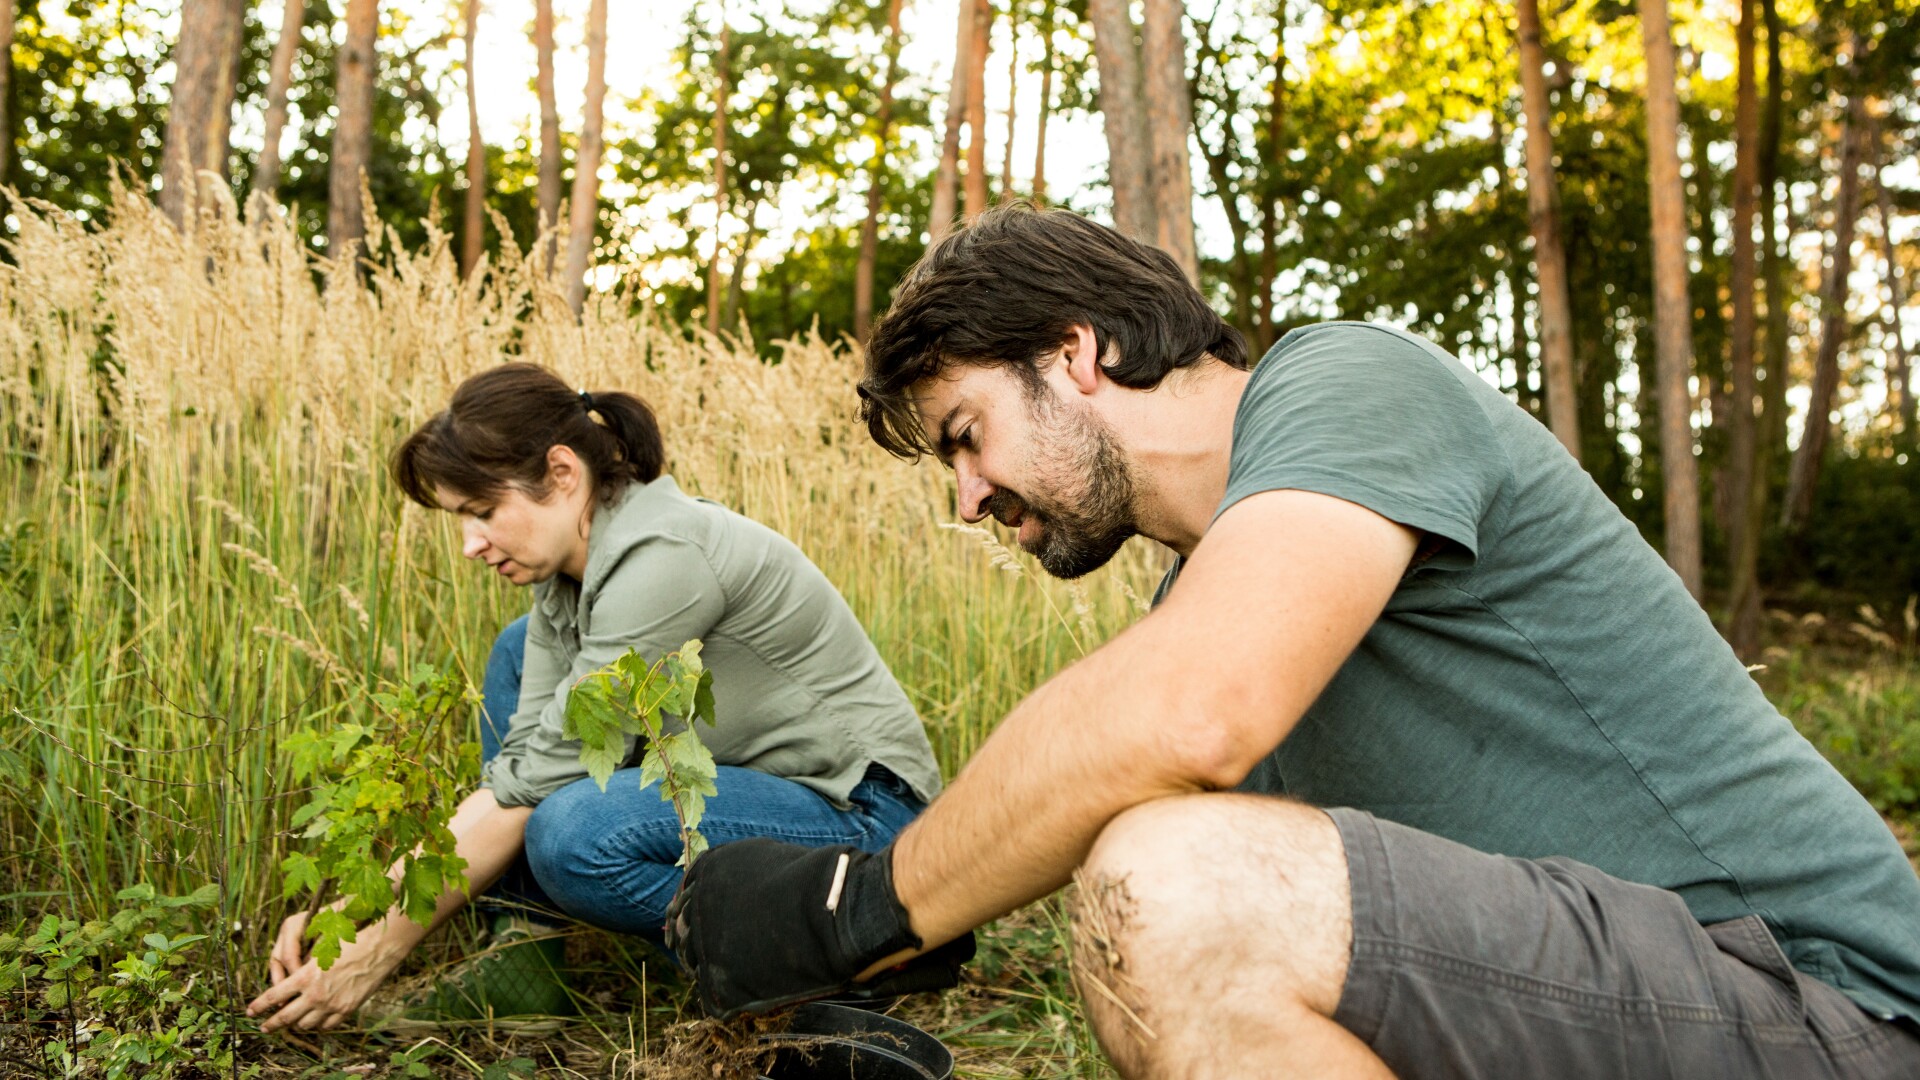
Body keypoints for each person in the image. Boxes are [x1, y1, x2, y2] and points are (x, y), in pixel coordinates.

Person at [664, 204, 1920, 1078]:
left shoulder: (1349, 382)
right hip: (1616, 1008)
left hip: (1822, 1013)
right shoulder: (1214, 600)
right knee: (1135, 919)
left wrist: (873, 906)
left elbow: (1192, 711)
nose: (968, 499)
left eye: (965, 434)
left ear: (1075, 352)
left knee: (1177, 885)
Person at [245, 362, 944, 1033]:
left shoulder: (662, 558)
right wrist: (353, 913)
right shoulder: (568, 582)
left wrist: (377, 950)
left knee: (575, 835)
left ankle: (836, 956)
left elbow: (540, 787)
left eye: (483, 510)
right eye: (460, 518)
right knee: (517, 652)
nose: (469, 543)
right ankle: (525, 962)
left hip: (864, 817)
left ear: (561, 472)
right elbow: (522, 769)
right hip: (765, 796)